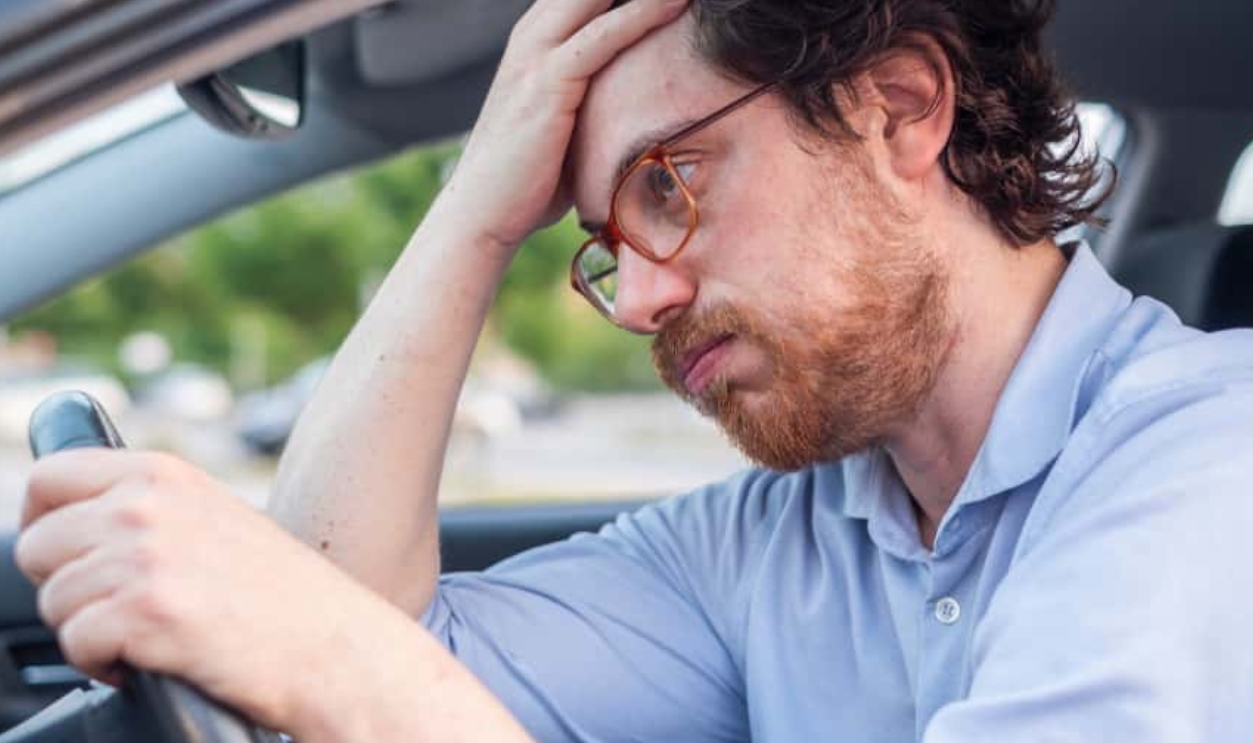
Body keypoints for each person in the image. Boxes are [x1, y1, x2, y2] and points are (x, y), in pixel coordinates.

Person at [15, 0, 1253, 740]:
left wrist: (346, 670)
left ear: (896, 104)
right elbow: (333, 622)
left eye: (668, 182)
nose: (642, 295)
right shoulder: (770, 539)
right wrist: (473, 215)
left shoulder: (1208, 452)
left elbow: (344, 659)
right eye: (605, 244)